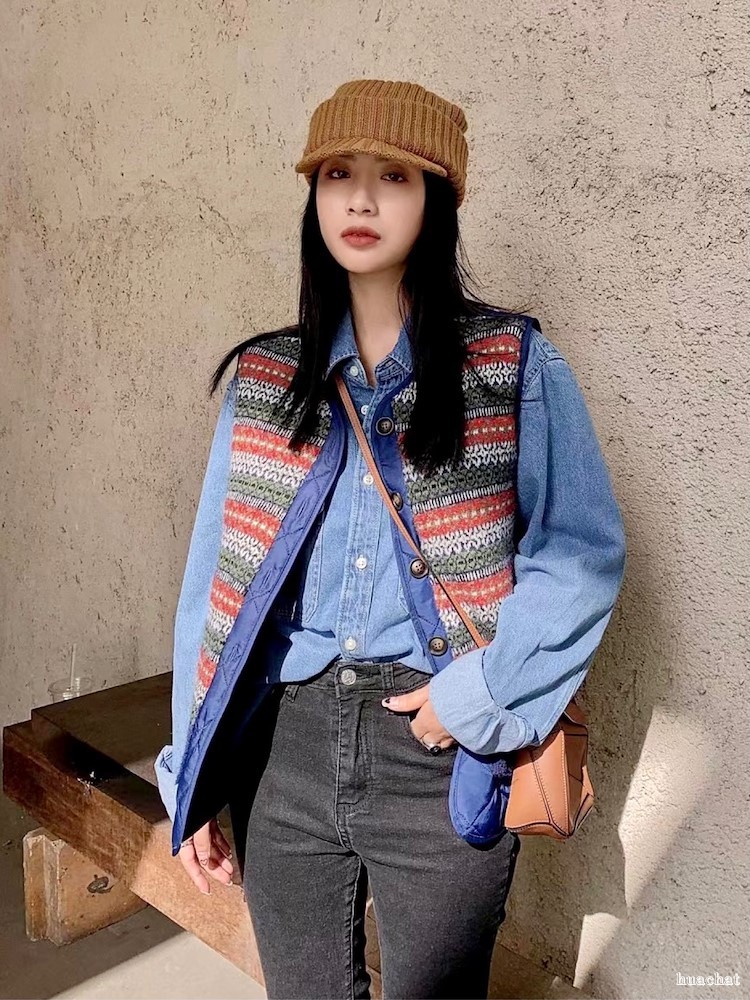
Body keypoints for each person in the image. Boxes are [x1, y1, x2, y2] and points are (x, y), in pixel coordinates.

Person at [154, 79, 627, 999]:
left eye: (394, 176)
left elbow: (582, 554)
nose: (361, 200)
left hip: (438, 753)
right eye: (338, 174)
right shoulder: (264, 378)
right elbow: (213, 586)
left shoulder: (513, 366)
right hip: (282, 753)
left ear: (436, 199)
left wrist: (480, 695)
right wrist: (192, 769)